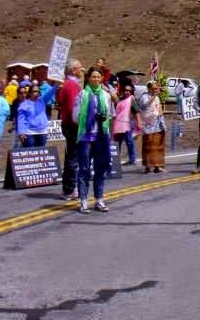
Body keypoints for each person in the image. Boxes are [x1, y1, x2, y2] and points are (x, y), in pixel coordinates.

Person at [73, 67, 114, 213]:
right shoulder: (83, 94)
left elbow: (110, 115)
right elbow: (75, 117)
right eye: (93, 77)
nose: (96, 79)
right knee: (84, 168)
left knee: (100, 168)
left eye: (98, 77)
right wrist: (90, 119)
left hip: (101, 136)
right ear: (88, 79)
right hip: (86, 137)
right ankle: (83, 201)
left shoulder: (106, 96)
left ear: (102, 78)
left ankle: (99, 199)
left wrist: (103, 119)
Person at [56, 59, 85, 200]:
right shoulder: (72, 85)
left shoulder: (66, 84)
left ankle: (69, 188)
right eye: (80, 68)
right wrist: (80, 124)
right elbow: (74, 107)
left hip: (68, 124)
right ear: (73, 70)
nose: (81, 71)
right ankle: (70, 189)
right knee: (73, 157)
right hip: (73, 125)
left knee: (71, 156)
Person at [17, 82, 55, 147]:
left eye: (38, 91)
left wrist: (56, 85)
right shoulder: (24, 104)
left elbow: (50, 93)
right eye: (34, 91)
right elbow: (21, 119)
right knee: (30, 154)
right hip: (29, 132)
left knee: (40, 154)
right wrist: (21, 132)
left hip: (42, 132)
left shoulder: (42, 100)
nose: (36, 93)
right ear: (29, 93)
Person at [140, 80, 166, 173]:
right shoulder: (144, 96)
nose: (156, 90)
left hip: (158, 124)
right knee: (149, 145)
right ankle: (148, 166)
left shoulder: (157, 98)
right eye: (154, 89)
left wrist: (161, 114)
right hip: (149, 125)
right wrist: (154, 95)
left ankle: (157, 166)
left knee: (159, 146)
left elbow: (158, 107)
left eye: (157, 88)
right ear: (149, 88)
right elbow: (145, 105)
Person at [113, 84, 141, 166]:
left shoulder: (131, 99)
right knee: (117, 142)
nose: (127, 92)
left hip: (128, 123)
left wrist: (138, 122)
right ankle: (115, 160)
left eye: (129, 91)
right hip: (118, 124)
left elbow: (136, 111)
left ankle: (132, 159)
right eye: (126, 90)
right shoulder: (120, 99)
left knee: (129, 141)